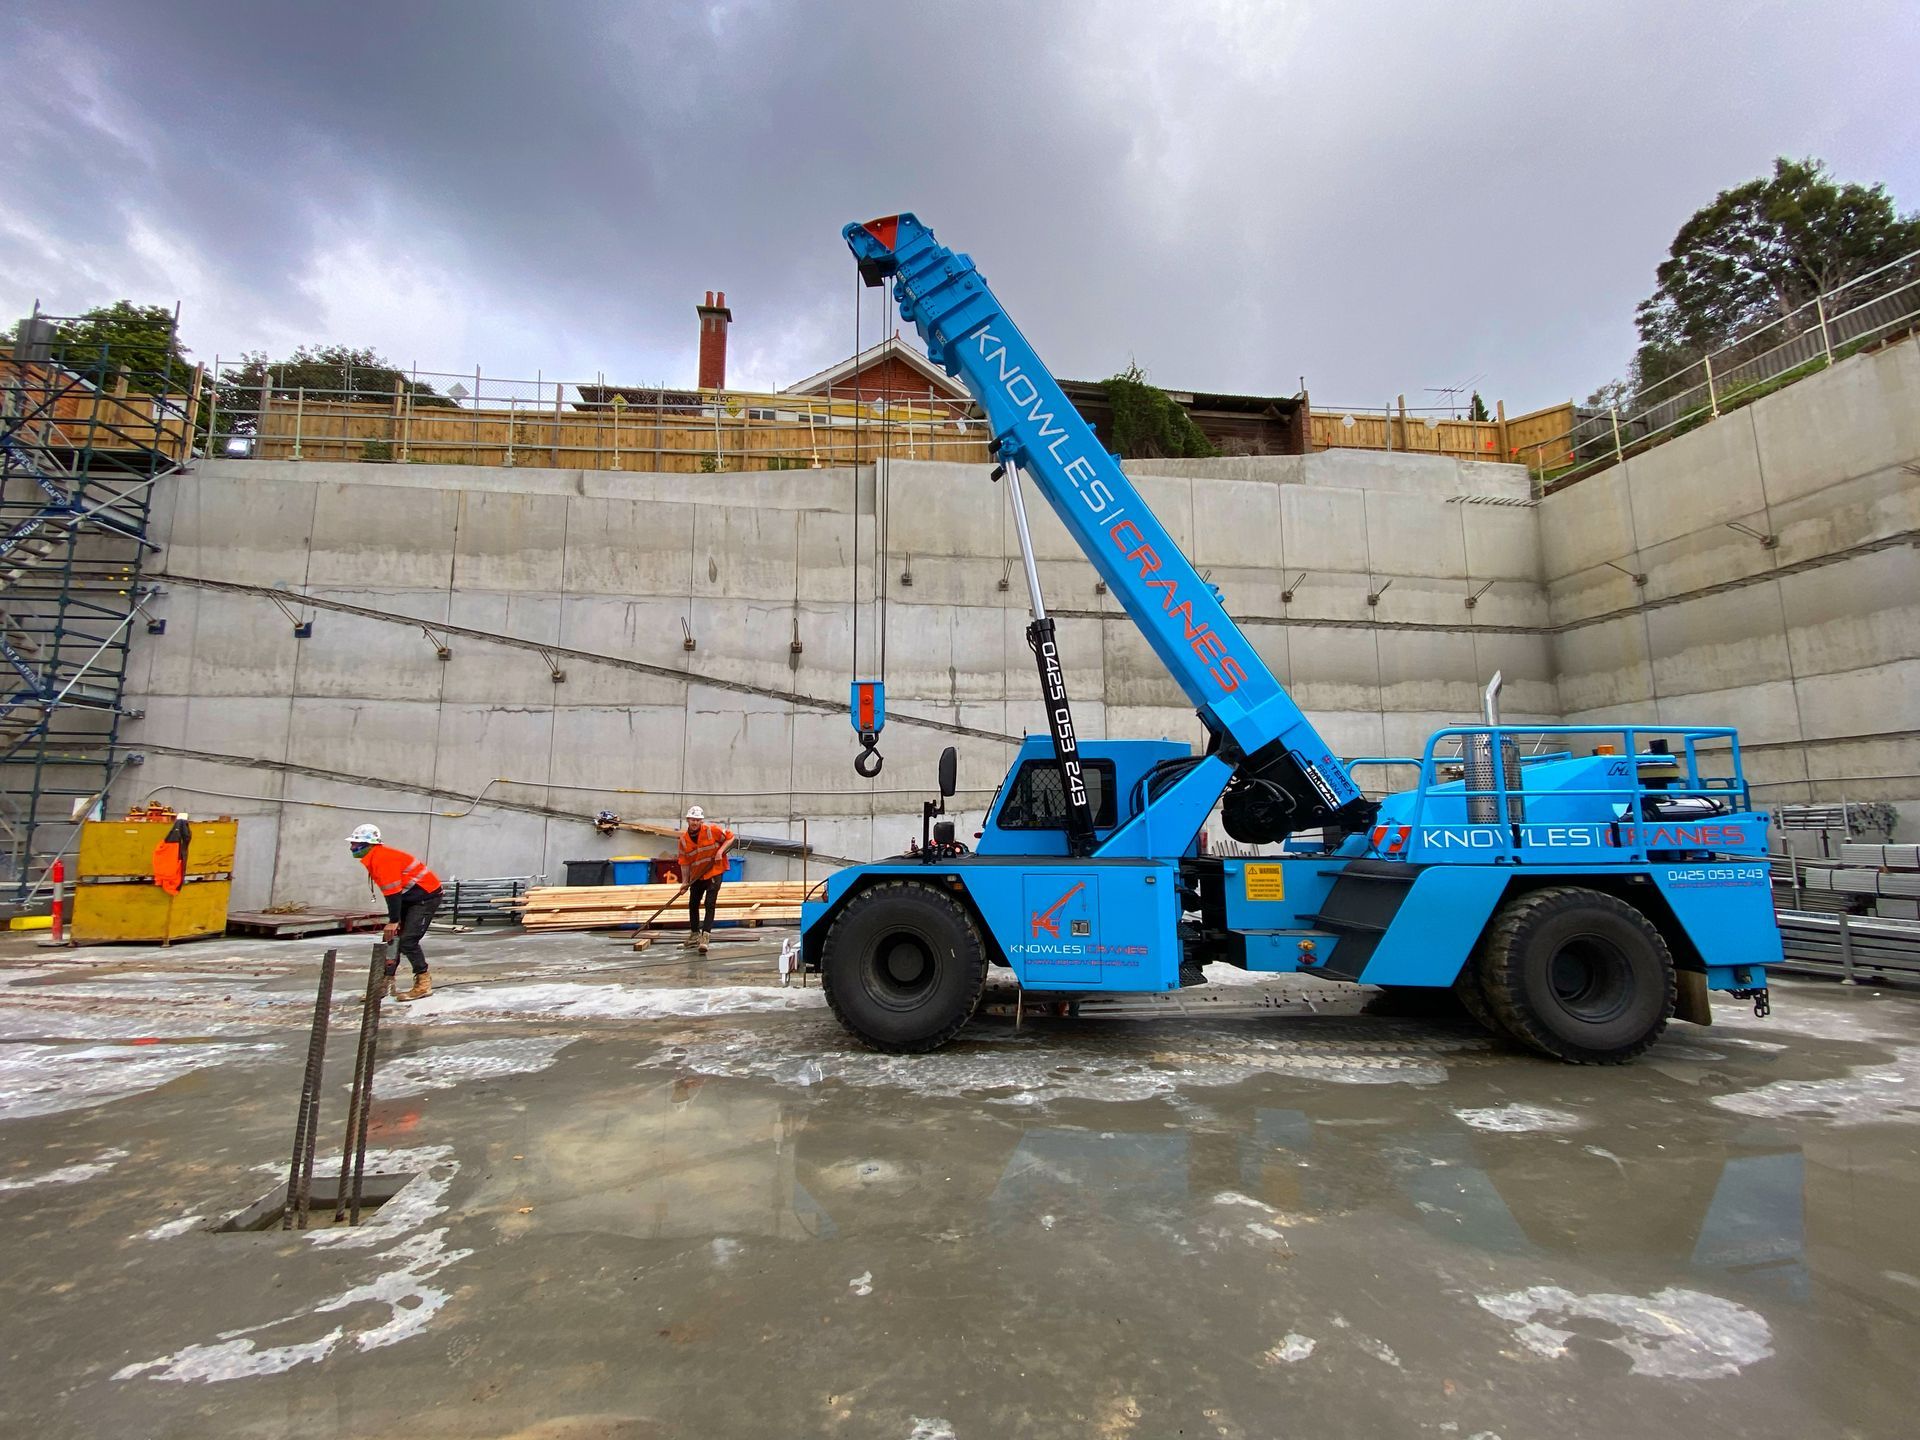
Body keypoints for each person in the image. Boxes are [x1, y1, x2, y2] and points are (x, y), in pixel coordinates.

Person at [347, 824, 442, 1000]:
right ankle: (384, 983)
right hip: (409, 898)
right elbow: (393, 892)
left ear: (370, 845)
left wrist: (393, 920)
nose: (352, 847)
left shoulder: (382, 858)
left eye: (355, 843)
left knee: (407, 941)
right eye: (352, 843)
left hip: (425, 898)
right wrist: (394, 921)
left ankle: (423, 982)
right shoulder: (374, 858)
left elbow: (392, 892)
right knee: (391, 940)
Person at [676, 805, 736, 955]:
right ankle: (694, 935)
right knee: (693, 903)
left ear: (701, 821)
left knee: (709, 903)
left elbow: (730, 838)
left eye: (697, 820)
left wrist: (720, 851)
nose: (695, 822)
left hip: (714, 871)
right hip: (697, 875)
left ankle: (705, 937)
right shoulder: (683, 840)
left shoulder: (711, 831)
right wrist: (685, 882)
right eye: (692, 820)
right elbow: (684, 863)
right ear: (688, 820)